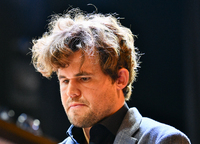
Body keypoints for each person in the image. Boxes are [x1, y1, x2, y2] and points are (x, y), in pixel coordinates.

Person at [31, 8, 191, 144]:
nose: (71, 92)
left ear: (120, 79)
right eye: (65, 80)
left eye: (84, 78)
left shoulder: (165, 140)